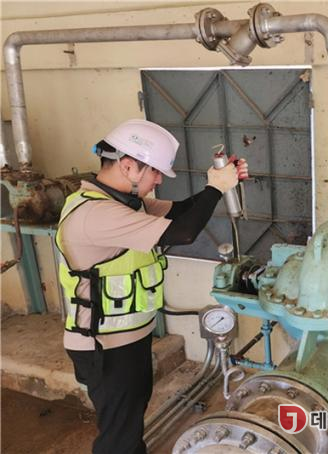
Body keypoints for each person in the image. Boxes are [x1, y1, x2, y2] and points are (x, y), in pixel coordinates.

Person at [55, 119, 247, 454]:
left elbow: (183, 212)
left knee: (129, 425)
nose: (159, 180)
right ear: (128, 166)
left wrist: (218, 181)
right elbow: (183, 233)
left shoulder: (124, 204)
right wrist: (216, 188)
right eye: (155, 171)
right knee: (119, 437)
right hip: (103, 346)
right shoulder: (95, 214)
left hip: (127, 340)